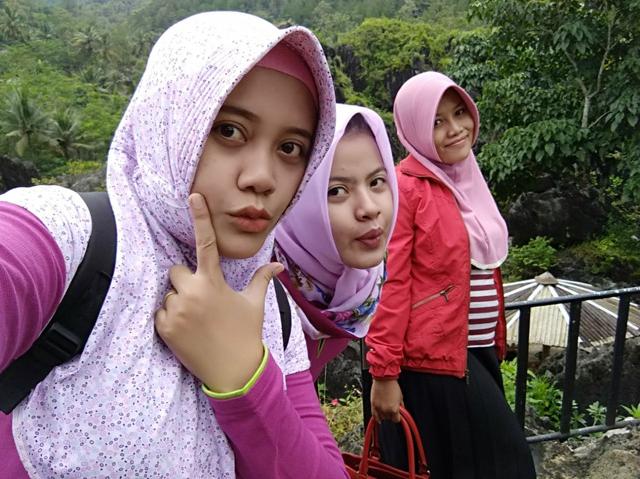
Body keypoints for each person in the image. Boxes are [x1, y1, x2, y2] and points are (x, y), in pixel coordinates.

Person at [0, 11, 350, 478]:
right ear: (168, 123)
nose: (263, 178)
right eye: (228, 130)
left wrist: (244, 375)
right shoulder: (72, 241)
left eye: (290, 148)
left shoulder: (270, 305)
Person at [366, 71, 536, 479]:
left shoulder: (466, 178)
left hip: (474, 352)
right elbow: (391, 282)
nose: (455, 128)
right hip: (430, 362)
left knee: (464, 467)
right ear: (415, 129)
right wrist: (384, 373)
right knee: (509, 465)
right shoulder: (406, 188)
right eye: (437, 121)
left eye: (459, 113)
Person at [274, 103, 398, 381]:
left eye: (377, 182)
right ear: (299, 199)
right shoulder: (260, 291)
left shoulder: (363, 281)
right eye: (337, 191)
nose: (369, 208)